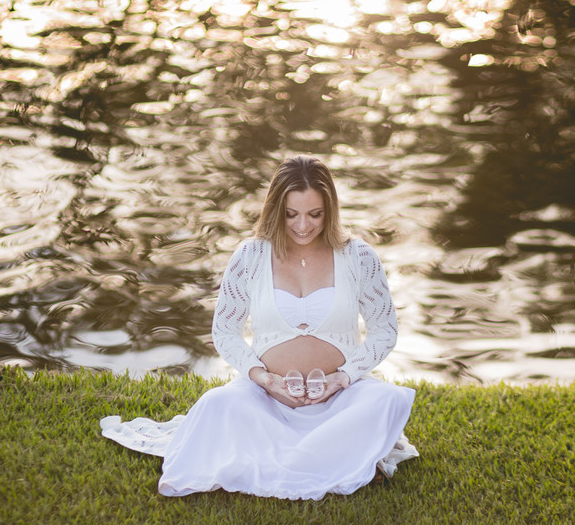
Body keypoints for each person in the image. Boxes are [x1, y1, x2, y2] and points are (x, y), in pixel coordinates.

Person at [100, 155, 417, 500]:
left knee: (384, 398)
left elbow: (384, 330)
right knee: (217, 403)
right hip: (266, 398)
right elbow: (225, 331)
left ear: (331, 210)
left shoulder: (358, 256)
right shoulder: (250, 255)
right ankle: (344, 457)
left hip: (338, 397)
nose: (303, 226)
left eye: (315, 214)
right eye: (291, 214)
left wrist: (343, 376)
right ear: (275, 209)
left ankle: (321, 451)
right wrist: (263, 378)